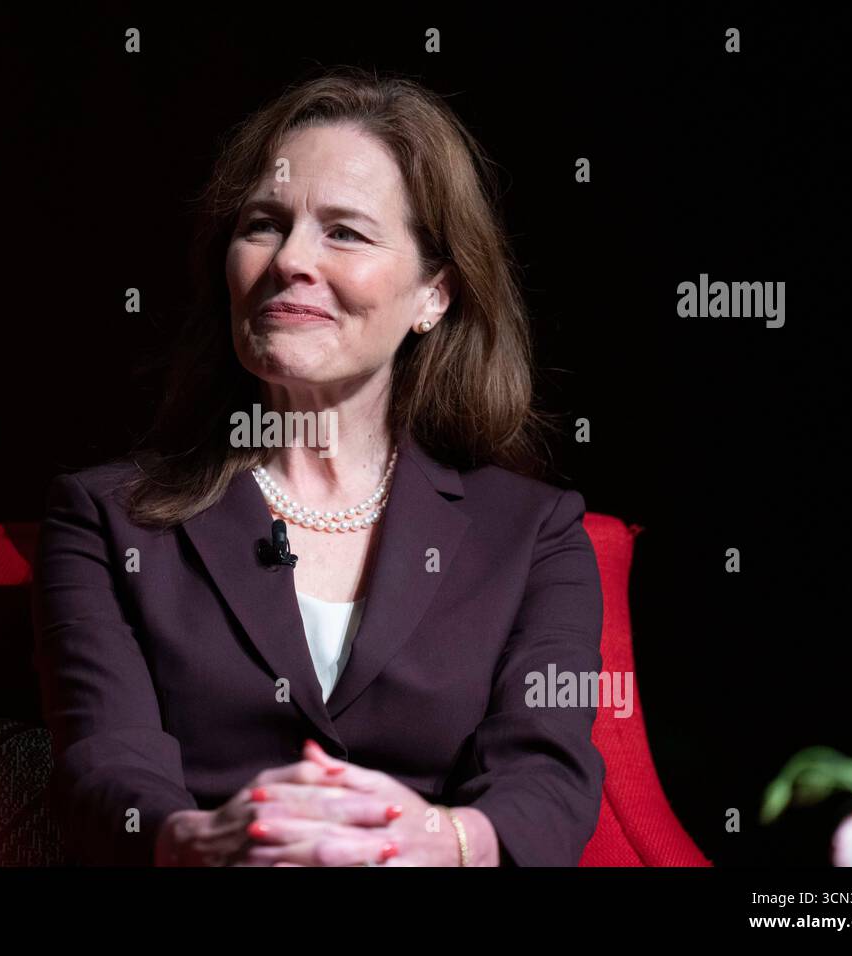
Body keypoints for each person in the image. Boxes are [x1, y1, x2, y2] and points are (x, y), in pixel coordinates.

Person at [33, 65, 605, 866]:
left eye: (345, 231)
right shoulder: (105, 517)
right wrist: (199, 840)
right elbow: (107, 762)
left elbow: (547, 777)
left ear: (433, 295)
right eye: (263, 224)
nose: (290, 260)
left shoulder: (533, 534)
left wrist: (445, 842)